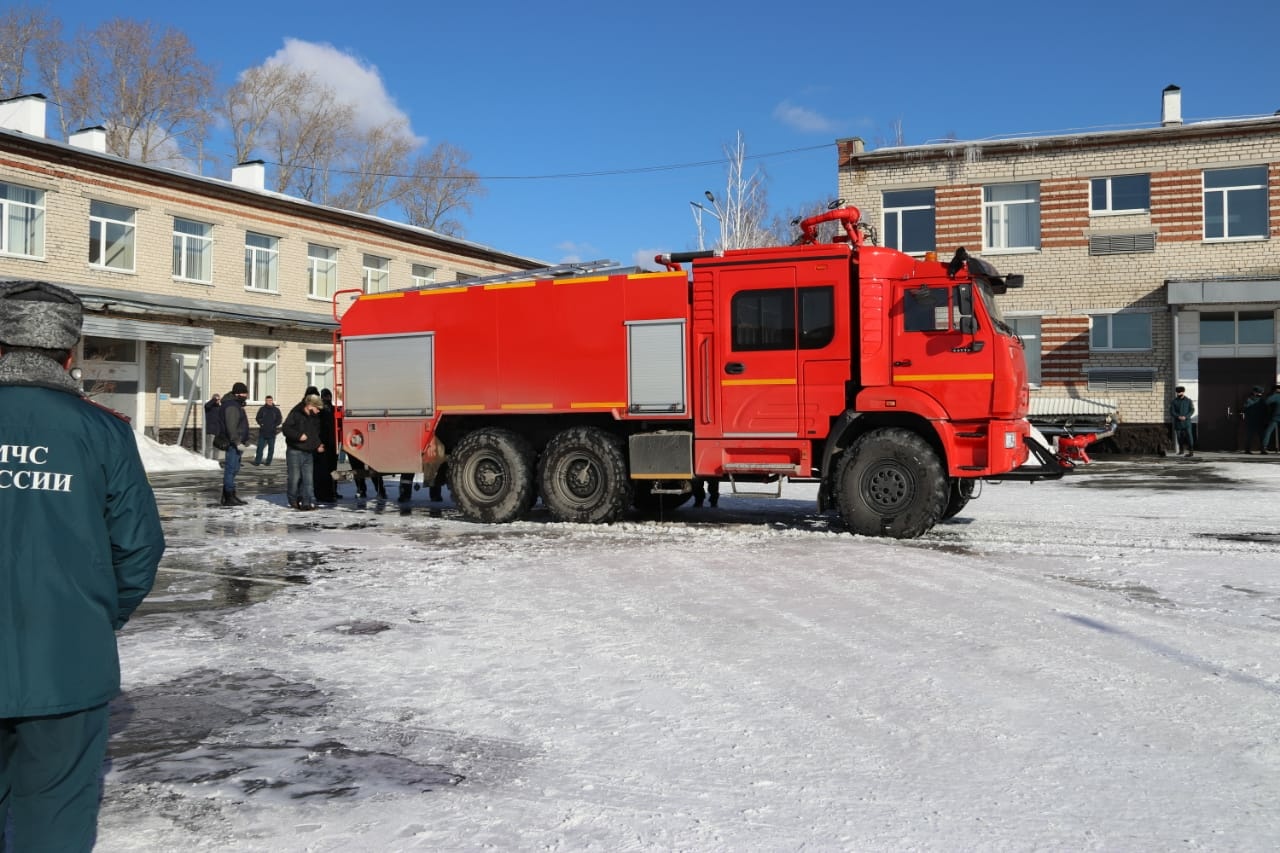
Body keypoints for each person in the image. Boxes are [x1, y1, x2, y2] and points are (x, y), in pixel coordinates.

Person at [0, 280, 166, 851]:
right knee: (55, 825)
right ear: (70, 356)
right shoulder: (104, 433)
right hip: (66, 661)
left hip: (64, 657)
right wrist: (92, 619)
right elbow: (139, 549)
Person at [283, 393, 324, 510]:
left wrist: (317, 445)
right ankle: (292, 499)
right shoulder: (296, 413)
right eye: (317, 408)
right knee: (295, 478)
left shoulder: (314, 418)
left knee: (308, 480)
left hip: (308, 452)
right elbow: (286, 428)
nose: (318, 411)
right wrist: (298, 436)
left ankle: (306, 503)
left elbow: (313, 434)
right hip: (295, 451)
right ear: (310, 406)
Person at [219, 382, 251, 505]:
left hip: (236, 442)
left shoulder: (236, 404)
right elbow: (231, 426)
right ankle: (229, 496)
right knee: (231, 469)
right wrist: (237, 442)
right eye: (244, 393)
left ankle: (228, 495)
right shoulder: (232, 406)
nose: (246, 395)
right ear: (237, 393)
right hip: (233, 443)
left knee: (234, 468)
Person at [313, 388, 340, 502]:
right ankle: (325, 492)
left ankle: (333, 490)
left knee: (333, 469)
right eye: (325, 397)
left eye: (328, 396)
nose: (327, 399)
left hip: (333, 443)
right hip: (323, 444)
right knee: (323, 469)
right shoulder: (320, 411)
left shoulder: (334, 410)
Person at [253, 395, 282, 465]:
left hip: (272, 432)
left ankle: (268, 462)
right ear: (265, 401)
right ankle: (257, 461)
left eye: (270, 400)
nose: (269, 402)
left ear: (272, 401)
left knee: (271, 449)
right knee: (260, 448)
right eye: (268, 401)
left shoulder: (276, 410)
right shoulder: (262, 409)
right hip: (263, 432)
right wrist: (261, 423)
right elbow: (258, 418)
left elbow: (279, 419)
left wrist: (275, 425)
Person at [1242, 385, 1270, 454]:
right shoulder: (1250, 400)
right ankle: (1248, 450)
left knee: (1261, 436)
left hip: (1258, 420)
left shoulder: (1261, 400)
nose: (1260, 394)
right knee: (1251, 436)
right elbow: (1245, 409)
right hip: (1252, 421)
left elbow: (1265, 410)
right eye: (1259, 392)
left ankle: (1262, 450)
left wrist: (1266, 419)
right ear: (1255, 392)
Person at [1169, 385, 1195, 457]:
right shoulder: (1174, 401)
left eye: (1180, 392)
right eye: (1177, 392)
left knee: (1189, 436)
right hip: (1178, 422)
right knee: (1179, 437)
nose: (1178, 394)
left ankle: (1191, 451)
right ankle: (1181, 450)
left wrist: (1186, 416)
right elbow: (1172, 411)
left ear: (1183, 392)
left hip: (1187, 422)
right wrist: (1178, 416)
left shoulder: (1188, 401)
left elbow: (1192, 410)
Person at [1264, 384, 1280, 454]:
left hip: (1275, 417)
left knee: (1268, 432)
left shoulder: (1276, 396)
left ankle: (1264, 447)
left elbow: (1266, 402)